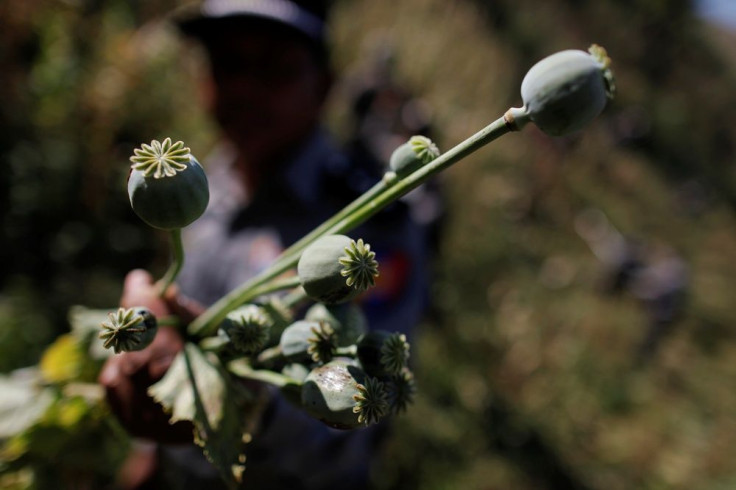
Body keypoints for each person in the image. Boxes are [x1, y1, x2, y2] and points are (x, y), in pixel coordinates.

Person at [98, 1, 429, 488]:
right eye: (228, 64)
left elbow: (356, 421)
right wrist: (151, 451)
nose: (245, 89)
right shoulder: (207, 176)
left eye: (276, 69)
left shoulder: (372, 228)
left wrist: (239, 403)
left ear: (323, 86)